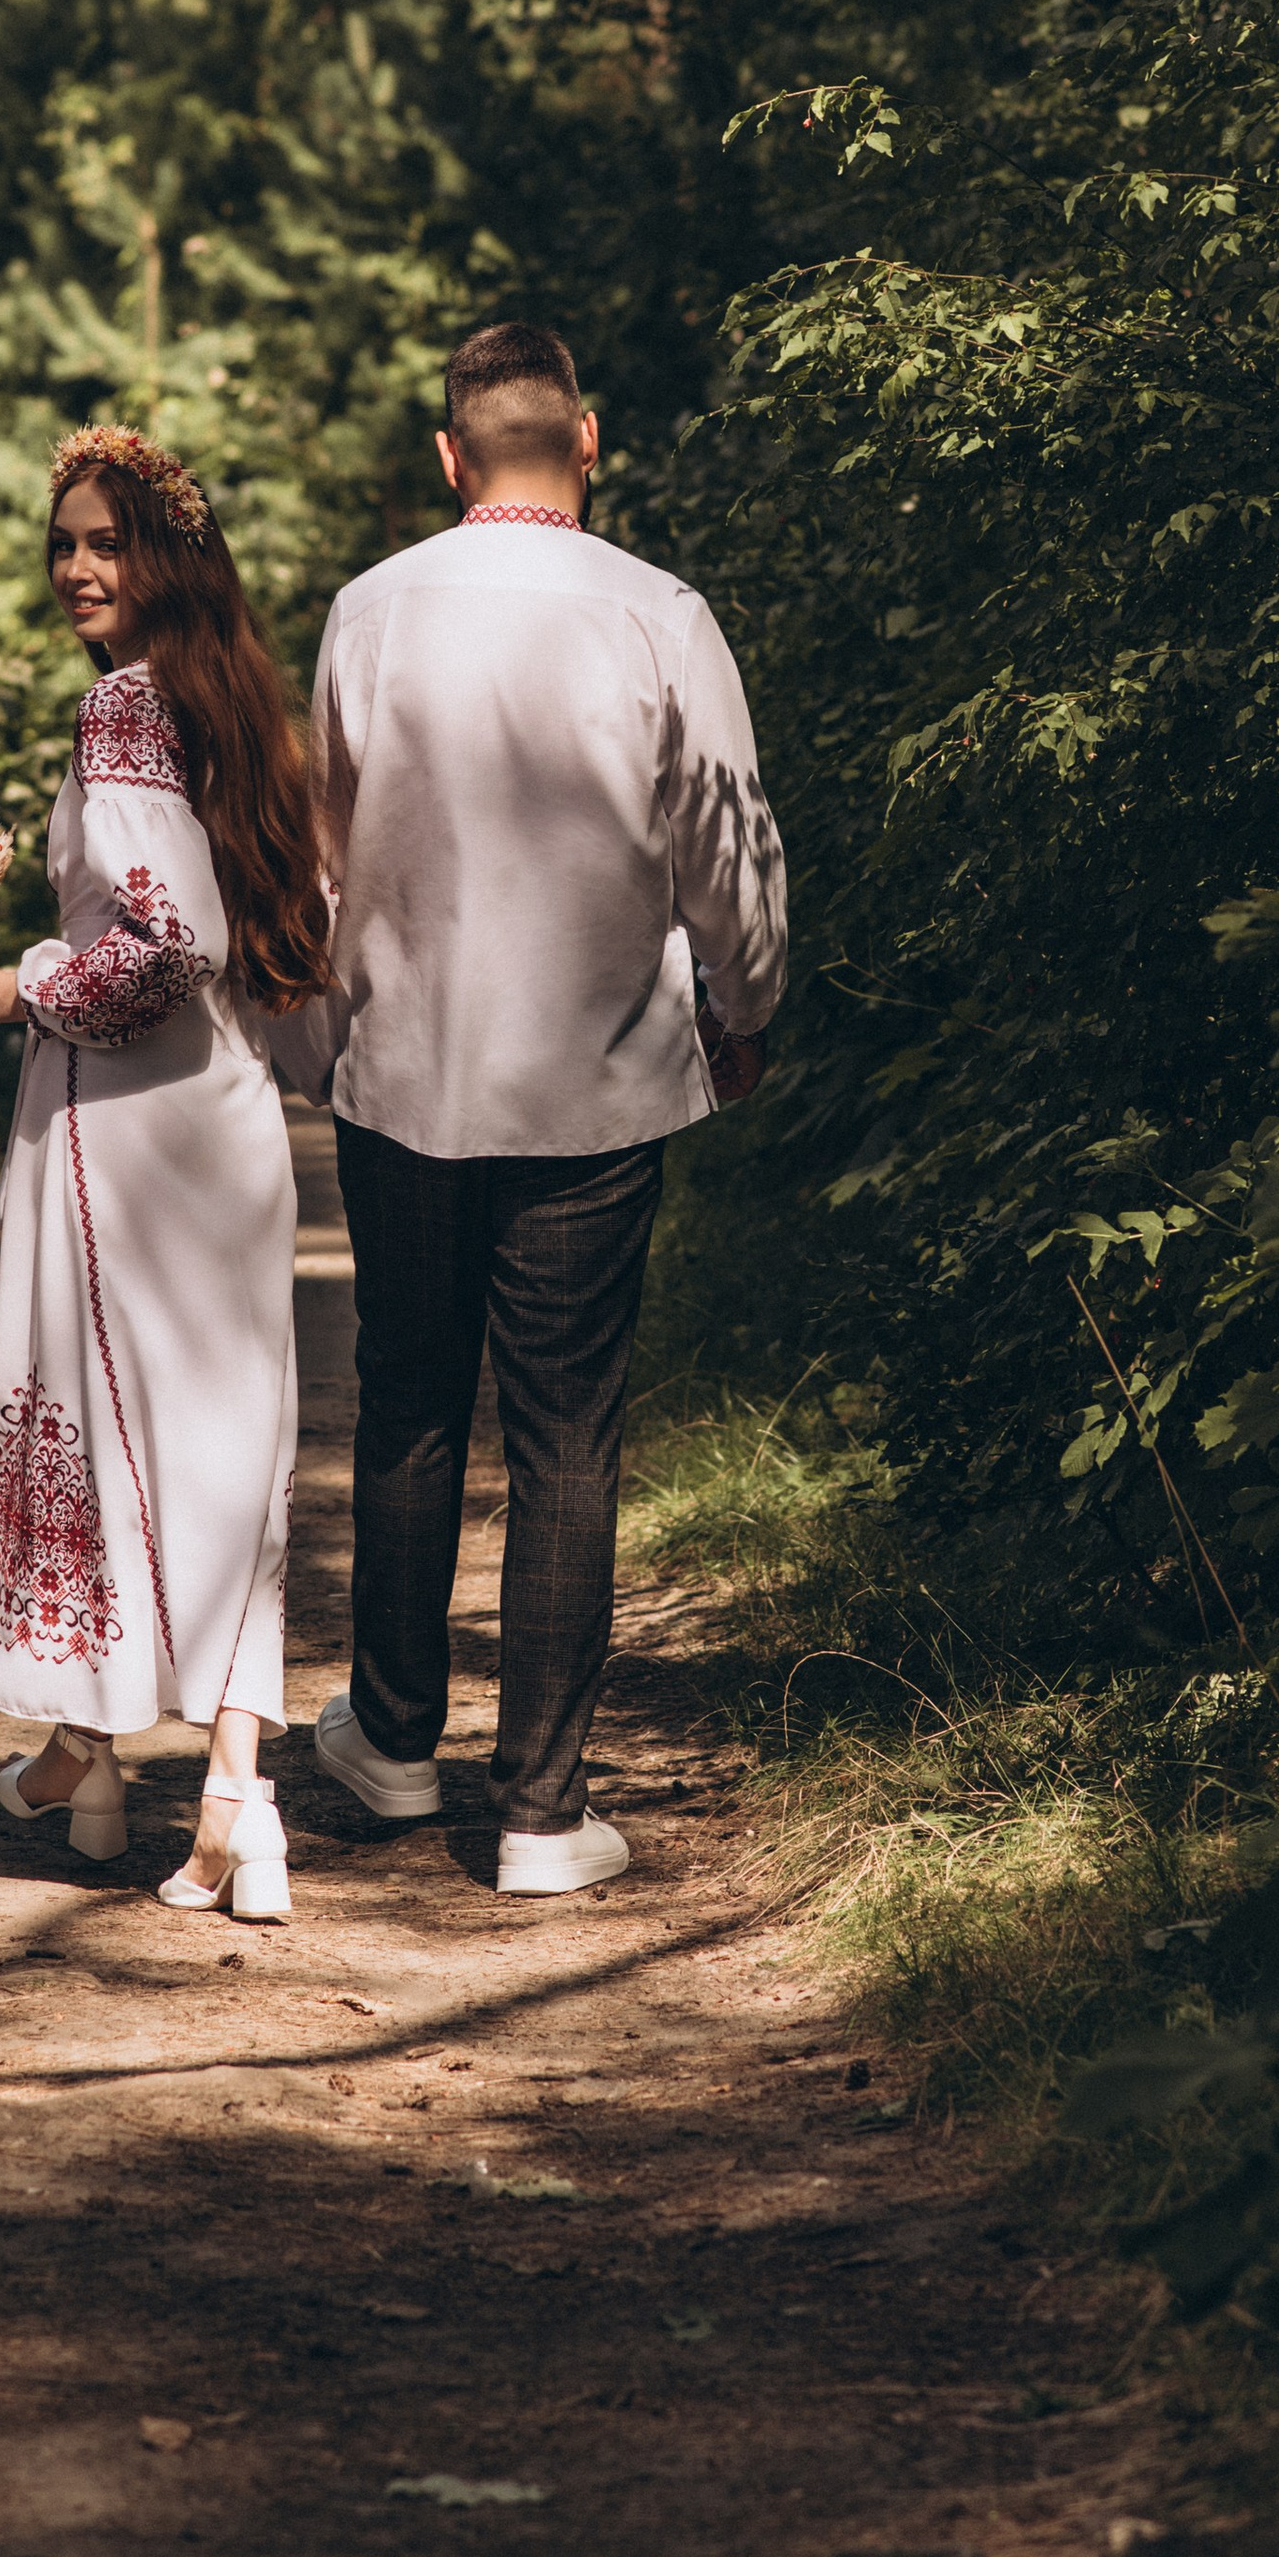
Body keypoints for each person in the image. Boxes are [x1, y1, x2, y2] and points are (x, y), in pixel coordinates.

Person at [307, 321, 787, 1895]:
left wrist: (322, 1035)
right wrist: (744, 1003)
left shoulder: (367, 614)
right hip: (593, 1084)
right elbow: (725, 846)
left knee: (412, 1404)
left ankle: (385, 1746)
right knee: (568, 1438)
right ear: (590, 439)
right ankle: (538, 1815)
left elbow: (323, 857)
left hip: (404, 1075)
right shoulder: (660, 615)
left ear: (447, 458)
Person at [0, 427, 331, 1926]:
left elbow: (168, 944)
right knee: (230, 1453)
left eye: (104, 542)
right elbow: (273, 925)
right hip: (225, 1132)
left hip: (126, 1135)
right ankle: (205, 1780)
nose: (76, 570)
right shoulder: (233, 702)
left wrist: (18, 987)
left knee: (106, 1438)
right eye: (63, 543)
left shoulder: (124, 711)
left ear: (165, 554)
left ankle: (91, 1752)